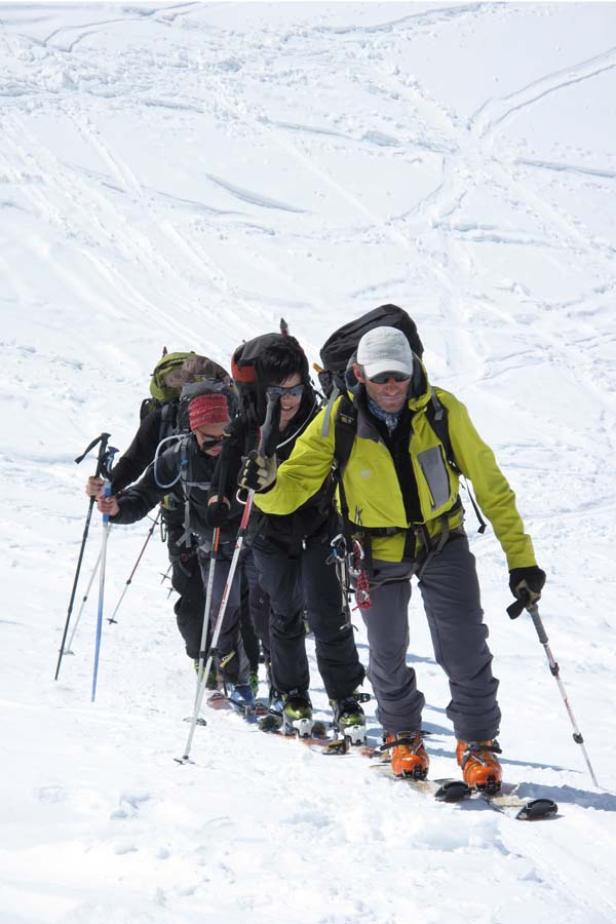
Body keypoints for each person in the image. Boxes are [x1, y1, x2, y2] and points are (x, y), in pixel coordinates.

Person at [240, 325, 546, 789]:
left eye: (399, 377)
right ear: (359, 374)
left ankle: (478, 743)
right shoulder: (338, 419)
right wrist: (266, 486)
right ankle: (402, 734)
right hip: (374, 550)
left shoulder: (442, 410)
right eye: (380, 378)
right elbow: (293, 489)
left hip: (444, 542)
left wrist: (520, 559)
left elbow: (491, 486)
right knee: (386, 650)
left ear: (413, 371)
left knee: (465, 646)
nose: (391, 388)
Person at [85, 354, 262, 686]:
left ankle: (240, 671)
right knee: (201, 595)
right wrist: (112, 499)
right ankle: (211, 664)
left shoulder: (238, 434)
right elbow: (143, 475)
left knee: (235, 598)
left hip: (231, 528)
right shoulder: (171, 431)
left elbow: (136, 464)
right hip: (186, 522)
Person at [234, 333, 366, 738]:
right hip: (270, 535)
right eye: (276, 390)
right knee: (285, 612)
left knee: (329, 614)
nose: (287, 398)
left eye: (293, 388)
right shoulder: (249, 426)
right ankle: (292, 692)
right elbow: (227, 480)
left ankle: (345, 697)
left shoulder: (321, 417)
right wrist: (227, 503)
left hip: (319, 527)